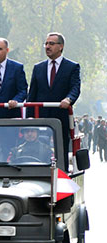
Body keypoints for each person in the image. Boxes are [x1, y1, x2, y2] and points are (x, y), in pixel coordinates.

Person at [27, 32, 81, 170]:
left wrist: (68, 99)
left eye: (51, 43)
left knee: (60, 150)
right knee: (38, 151)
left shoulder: (72, 67)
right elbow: (32, 95)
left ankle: (61, 175)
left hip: (61, 117)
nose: (47, 46)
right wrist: (29, 119)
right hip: (41, 117)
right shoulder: (38, 68)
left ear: (61, 46)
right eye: (46, 43)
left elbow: (75, 88)